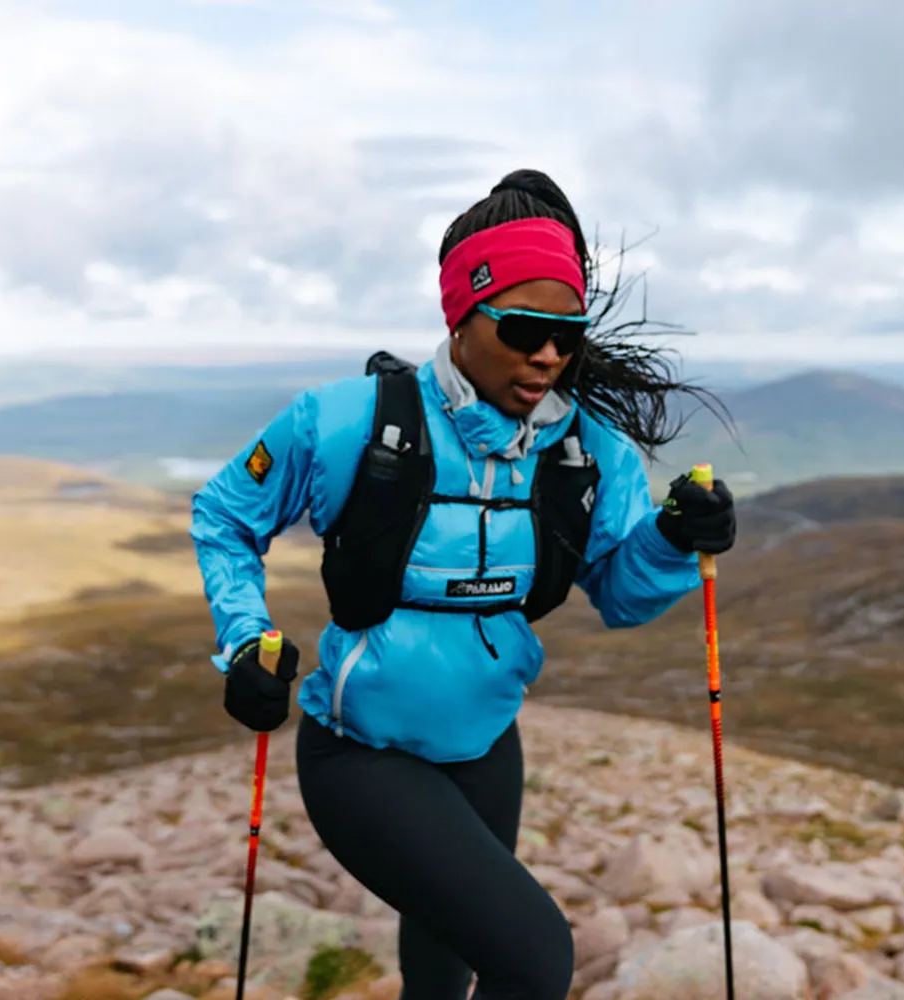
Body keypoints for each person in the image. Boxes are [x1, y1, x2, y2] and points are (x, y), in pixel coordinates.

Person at [190, 168, 736, 1000]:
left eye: (567, 334)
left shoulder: (588, 452)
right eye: (524, 328)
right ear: (463, 315)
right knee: (536, 956)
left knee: (441, 975)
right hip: (360, 752)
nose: (548, 355)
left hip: (487, 747)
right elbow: (226, 517)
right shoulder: (345, 422)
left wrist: (671, 538)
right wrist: (242, 642)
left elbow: (621, 598)